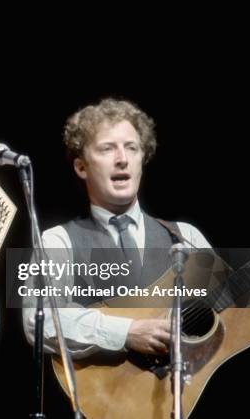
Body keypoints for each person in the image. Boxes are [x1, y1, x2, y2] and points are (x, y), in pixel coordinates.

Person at [22, 98, 211, 358]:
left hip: (183, 392)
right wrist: (125, 333)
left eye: (132, 148)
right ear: (81, 167)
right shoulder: (57, 241)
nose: (122, 159)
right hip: (103, 396)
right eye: (107, 149)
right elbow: (36, 319)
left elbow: (232, 314)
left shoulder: (186, 237)